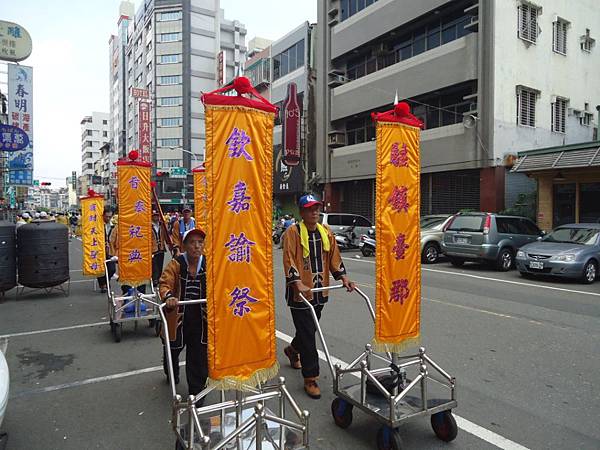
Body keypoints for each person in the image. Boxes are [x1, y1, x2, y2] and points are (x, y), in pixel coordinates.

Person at [282, 194, 355, 399]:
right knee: (308, 333)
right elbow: (289, 259)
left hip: (320, 291)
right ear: (302, 212)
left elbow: (334, 258)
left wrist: (343, 277)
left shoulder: (326, 232)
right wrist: (297, 281)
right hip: (299, 294)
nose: (314, 212)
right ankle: (311, 377)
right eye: (310, 209)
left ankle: (293, 350)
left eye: (317, 208)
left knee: (309, 328)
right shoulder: (293, 232)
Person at [159, 228, 208, 403]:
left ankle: (197, 393)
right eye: (192, 242)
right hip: (178, 316)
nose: (196, 246)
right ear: (185, 245)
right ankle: (170, 368)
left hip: (201, 318)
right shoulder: (176, 264)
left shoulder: (208, 264)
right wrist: (168, 296)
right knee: (173, 349)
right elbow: (165, 283)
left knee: (199, 356)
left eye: (200, 242)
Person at [98, 207, 117, 294]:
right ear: (103, 216)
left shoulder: (114, 226)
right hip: (100, 250)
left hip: (111, 251)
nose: (108, 218)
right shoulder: (98, 226)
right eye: (106, 216)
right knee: (101, 269)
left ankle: (106, 281)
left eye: (110, 216)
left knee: (112, 269)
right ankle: (103, 285)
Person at [151, 209, 167, 287]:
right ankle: (155, 279)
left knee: (160, 264)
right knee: (154, 265)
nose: (156, 217)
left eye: (157, 216)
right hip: (153, 249)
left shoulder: (162, 225)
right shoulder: (149, 226)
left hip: (161, 248)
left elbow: (166, 235)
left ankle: (159, 277)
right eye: (154, 216)